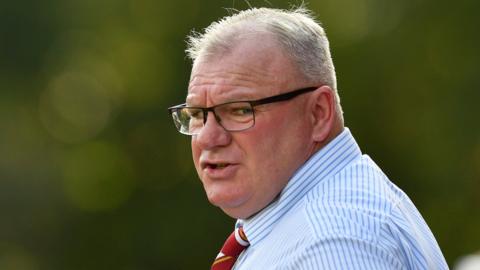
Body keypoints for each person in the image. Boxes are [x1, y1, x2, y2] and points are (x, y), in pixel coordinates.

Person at [168, 6, 449, 270]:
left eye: (240, 110)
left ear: (318, 113)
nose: (208, 138)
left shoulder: (331, 242)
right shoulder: (319, 221)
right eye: (197, 114)